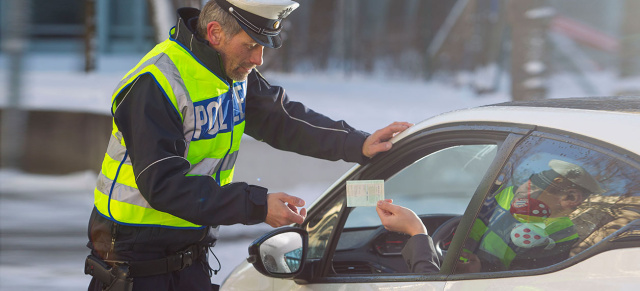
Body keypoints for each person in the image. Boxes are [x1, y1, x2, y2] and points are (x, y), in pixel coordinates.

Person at [84, 0, 412, 290]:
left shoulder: (230, 71)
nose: (259, 59)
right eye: (252, 45)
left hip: (188, 258)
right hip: (132, 265)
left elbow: (282, 120)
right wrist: (257, 205)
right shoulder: (156, 83)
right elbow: (163, 185)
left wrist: (358, 143)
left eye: (264, 47)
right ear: (215, 33)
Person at [375, 159, 603, 274]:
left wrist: (481, 270)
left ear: (570, 199)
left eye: (537, 187)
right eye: (529, 179)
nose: (522, 189)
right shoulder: (505, 192)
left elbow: (528, 281)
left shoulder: (563, 237)